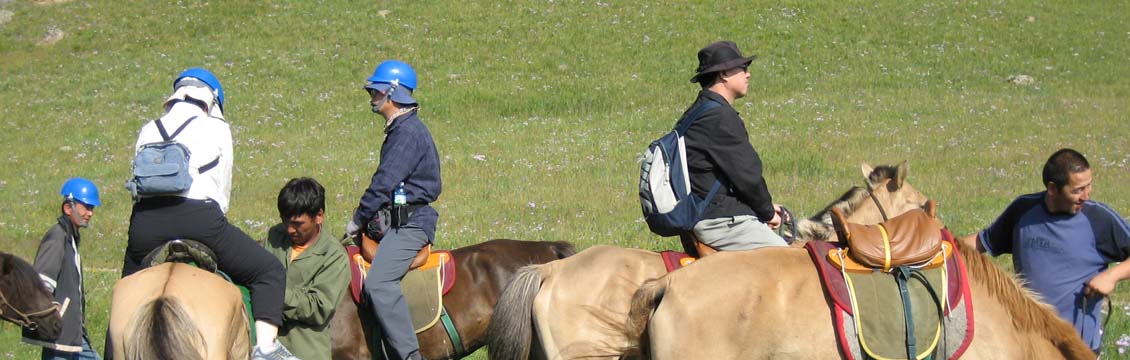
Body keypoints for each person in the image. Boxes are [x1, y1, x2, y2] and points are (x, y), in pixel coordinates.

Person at [121, 68, 297, 360]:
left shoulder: (149, 128)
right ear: (212, 101)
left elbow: (137, 185)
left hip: (145, 225)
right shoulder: (216, 128)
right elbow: (222, 191)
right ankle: (265, 349)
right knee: (269, 272)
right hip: (200, 220)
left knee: (126, 290)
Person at [962, 148, 1130, 353]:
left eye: (1089, 186)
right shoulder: (1023, 211)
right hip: (1030, 344)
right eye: (1077, 189)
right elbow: (982, 241)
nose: (1086, 195)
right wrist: (942, 244)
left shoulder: (1098, 219)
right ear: (1052, 189)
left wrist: (1112, 276)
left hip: (1075, 349)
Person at [344, 59, 441, 360]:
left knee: (379, 283)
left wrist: (356, 221)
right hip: (395, 220)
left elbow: (384, 182)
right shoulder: (400, 129)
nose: (371, 96)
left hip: (410, 224)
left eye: (375, 90)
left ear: (392, 93)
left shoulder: (407, 133)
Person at [682, 40, 787, 251]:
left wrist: (763, 209)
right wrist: (767, 213)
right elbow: (747, 176)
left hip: (706, 211)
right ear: (724, 74)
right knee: (789, 260)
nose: (748, 74)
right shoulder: (719, 117)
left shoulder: (699, 111)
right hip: (718, 220)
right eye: (743, 68)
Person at [259, 177, 349, 360]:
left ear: (319, 216)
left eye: (298, 224)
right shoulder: (274, 237)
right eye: (285, 221)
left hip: (303, 350)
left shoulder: (334, 256)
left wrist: (273, 292)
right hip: (261, 346)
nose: (290, 230)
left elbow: (318, 307)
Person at [22, 178, 101, 359]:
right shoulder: (57, 236)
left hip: (74, 334)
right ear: (68, 208)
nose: (90, 213)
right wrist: (52, 318)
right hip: (59, 334)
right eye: (87, 207)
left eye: (92, 208)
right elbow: (41, 282)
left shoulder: (70, 236)